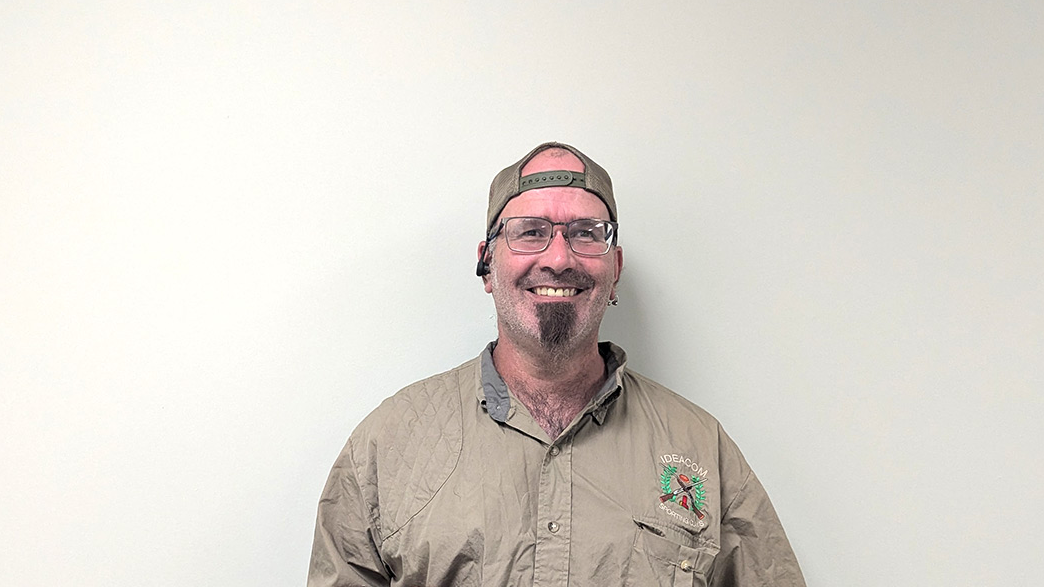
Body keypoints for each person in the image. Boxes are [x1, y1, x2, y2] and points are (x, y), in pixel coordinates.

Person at [307, 142, 806, 586]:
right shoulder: (387, 447)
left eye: (587, 233)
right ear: (487, 263)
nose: (559, 258)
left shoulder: (701, 450)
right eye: (530, 231)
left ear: (615, 270)